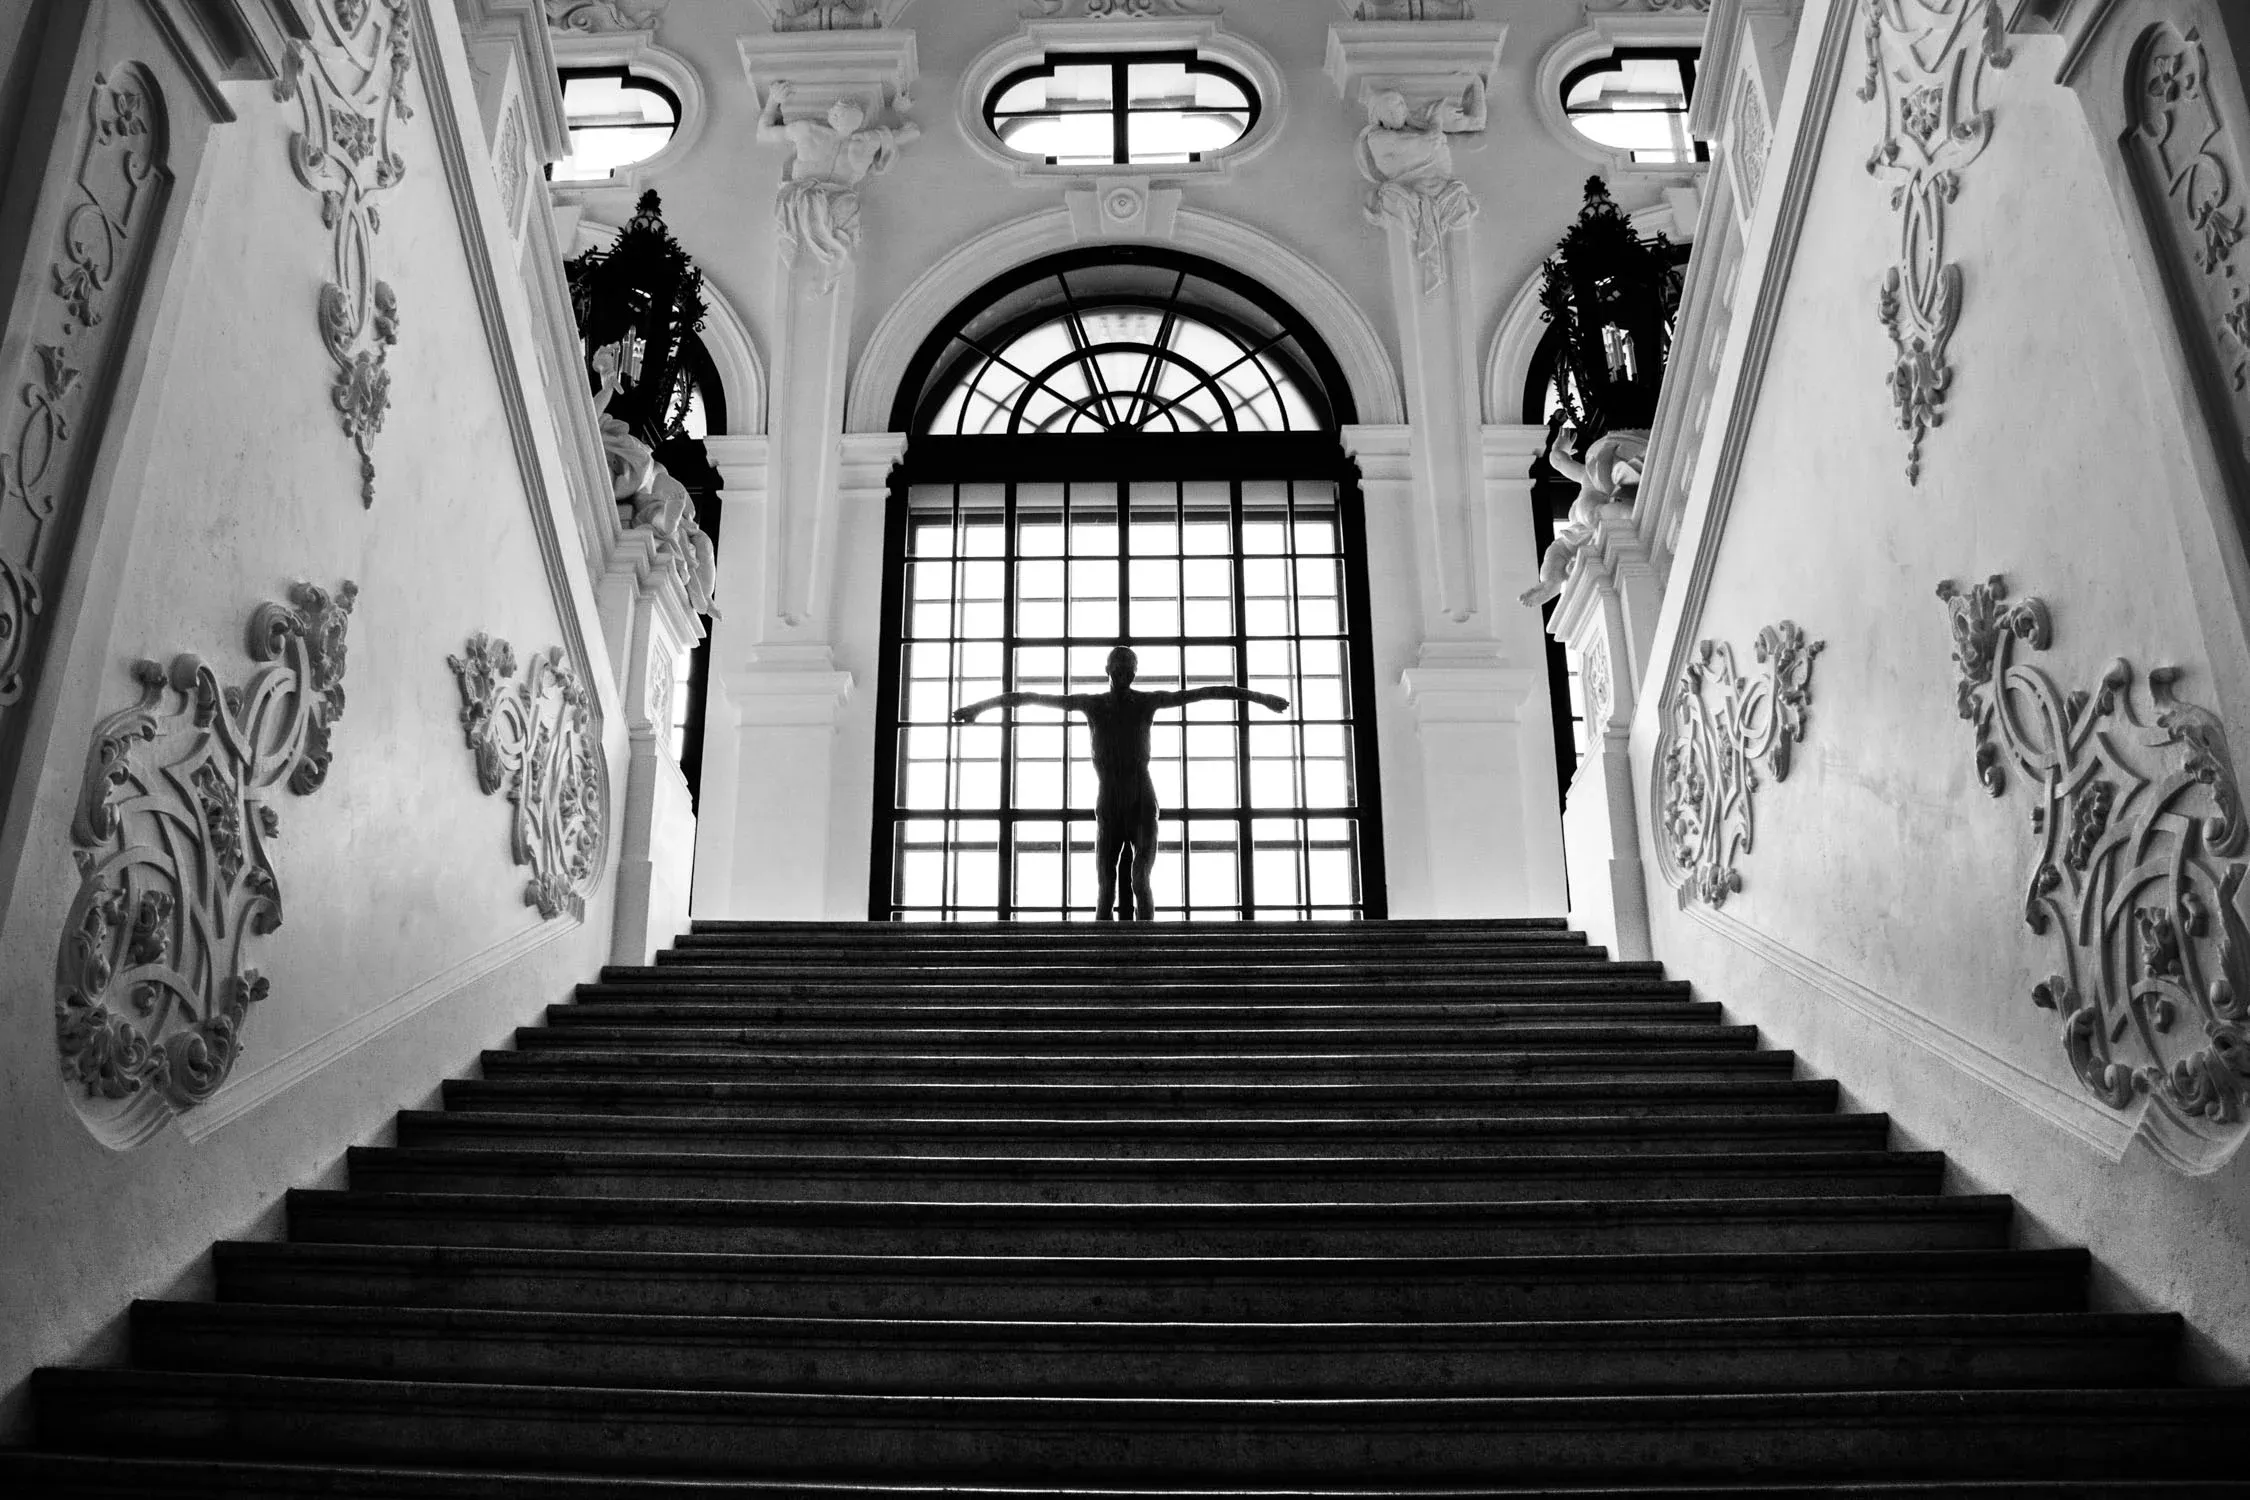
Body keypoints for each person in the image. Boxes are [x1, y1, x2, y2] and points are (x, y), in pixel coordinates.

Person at [953, 646, 1288, 922]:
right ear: (1108, 669)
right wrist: (978, 709)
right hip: (1110, 801)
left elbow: (1207, 693)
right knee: (1105, 885)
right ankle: (1105, 956)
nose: (1123, 673)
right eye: (1118, 666)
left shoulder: (1146, 702)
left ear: (1134, 673)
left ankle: (1145, 949)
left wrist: (1261, 697)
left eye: (1129, 667)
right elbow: (1029, 697)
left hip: (1141, 798)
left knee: (1140, 879)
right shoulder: (1093, 704)